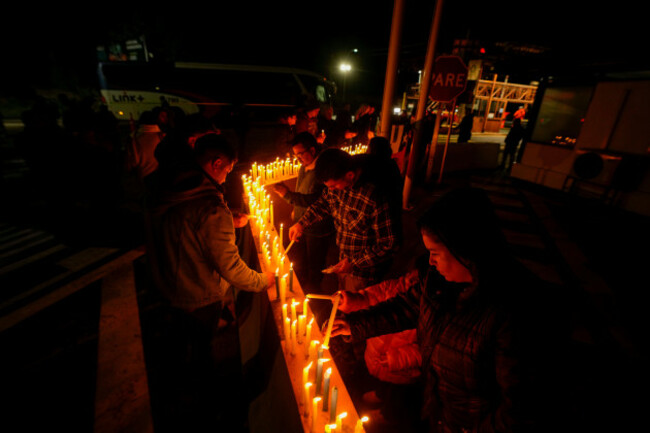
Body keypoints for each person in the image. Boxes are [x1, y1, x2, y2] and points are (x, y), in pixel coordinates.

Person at [330, 187, 550, 433]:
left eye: (435, 252)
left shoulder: (516, 310)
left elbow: (522, 407)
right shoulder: (438, 280)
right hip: (439, 409)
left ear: (465, 248)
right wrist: (355, 324)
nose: (431, 261)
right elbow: (408, 306)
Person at [144, 133, 275, 432]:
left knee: (180, 352)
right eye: (228, 169)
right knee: (200, 356)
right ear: (216, 163)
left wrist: (231, 220)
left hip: (167, 286)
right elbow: (230, 267)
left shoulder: (169, 187)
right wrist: (263, 280)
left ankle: (187, 400)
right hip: (198, 296)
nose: (228, 176)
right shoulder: (209, 206)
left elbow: (189, 229)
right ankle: (205, 416)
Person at [288, 147, 399, 292]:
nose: (331, 190)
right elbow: (324, 204)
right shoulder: (336, 187)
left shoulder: (374, 197)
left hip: (364, 274)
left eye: (333, 186)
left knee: (358, 309)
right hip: (344, 262)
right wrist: (302, 223)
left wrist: (353, 262)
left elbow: (389, 244)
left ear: (350, 175)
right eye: (328, 187)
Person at [272, 132, 336, 294]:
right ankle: (305, 285)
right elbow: (303, 190)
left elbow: (315, 201)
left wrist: (286, 194)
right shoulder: (305, 166)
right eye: (296, 155)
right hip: (304, 223)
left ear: (312, 150)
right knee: (304, 258)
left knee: (316, 261)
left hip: (318, 228)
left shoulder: (322, 172)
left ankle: (313, 292)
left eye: (300, 154)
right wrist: (297, 214)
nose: (298, 159)